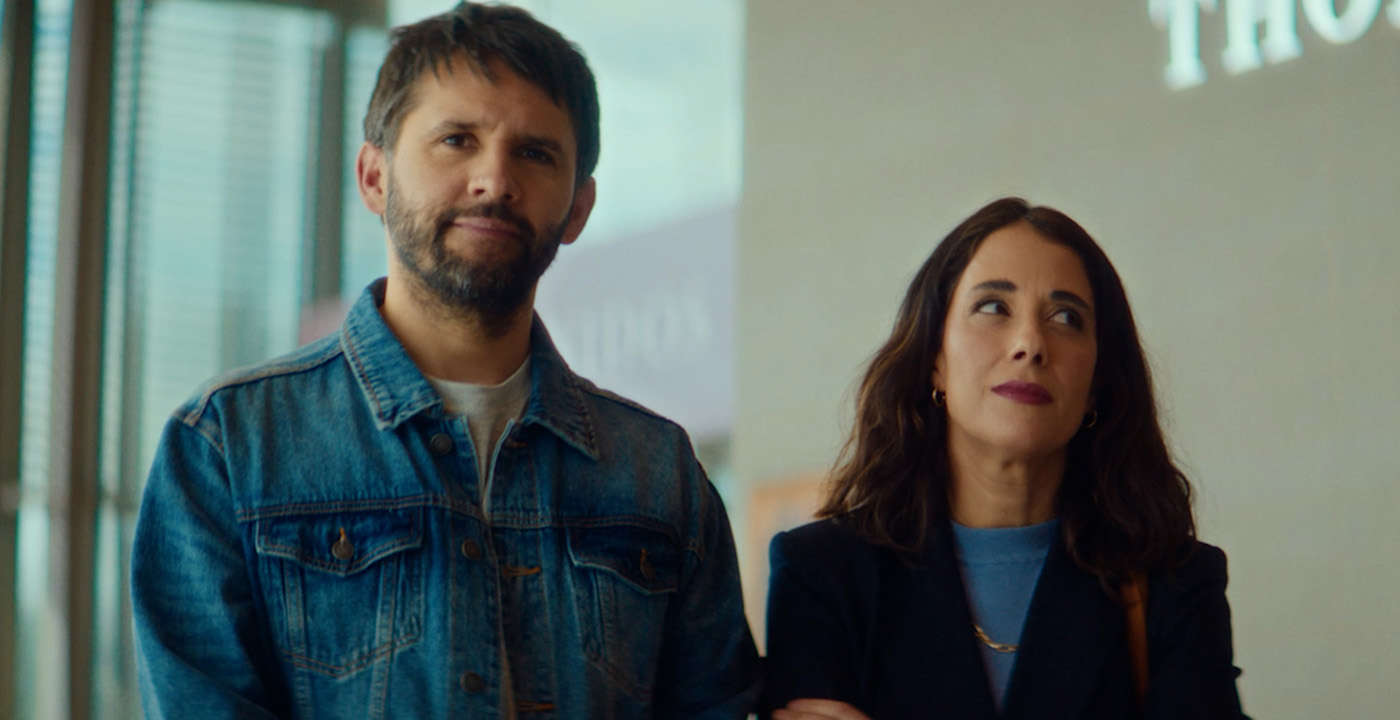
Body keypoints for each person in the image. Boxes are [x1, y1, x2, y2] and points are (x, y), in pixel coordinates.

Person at [130, 3, 760, 717]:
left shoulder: (659, 473)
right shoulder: (230, 447)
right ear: (374, 177)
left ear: (579, 208)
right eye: (457, 140)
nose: (494, 179)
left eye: (535, 153)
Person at [761, 198, 1248, 720]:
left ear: (1096, 385)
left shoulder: (1176, 584)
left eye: (1066, 317)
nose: (1030, 344)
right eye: (994, 307)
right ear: (935, 359)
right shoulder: (822, 573)